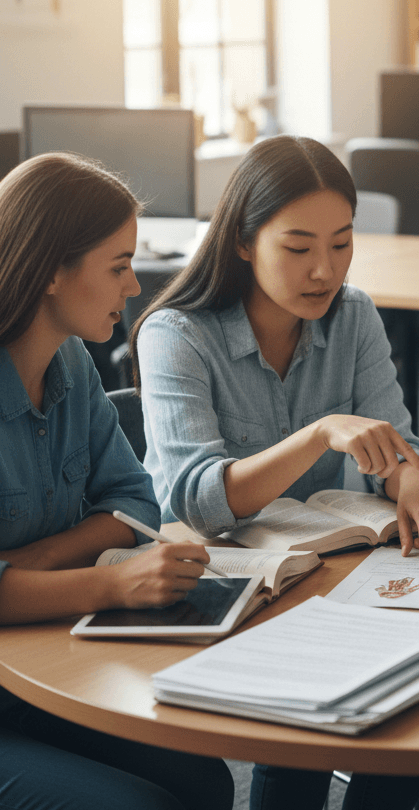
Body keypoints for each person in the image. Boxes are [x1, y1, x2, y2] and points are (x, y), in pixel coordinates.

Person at [130, 135, 419, 810]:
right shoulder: (176, 333)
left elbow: (392, 438)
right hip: (231, 590)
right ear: (244, 241)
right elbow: (197, 502)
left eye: (342, 243)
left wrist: (413, 472)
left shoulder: (355, 314)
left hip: (336, 576)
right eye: (299, 247)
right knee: (297, 747)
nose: (324, 271)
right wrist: (318, 435)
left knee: (404, 721)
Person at [0, 152, 233, 810]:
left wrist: (30, 565)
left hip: (34, 662)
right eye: (119, 265)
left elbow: (134, 500)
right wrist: (107, 581)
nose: (135, 287)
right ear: (52, 270)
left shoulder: (71, 362)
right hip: (17, 677)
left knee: (204, 779)